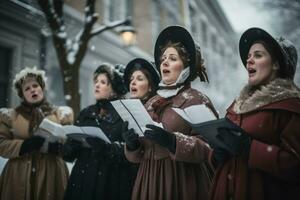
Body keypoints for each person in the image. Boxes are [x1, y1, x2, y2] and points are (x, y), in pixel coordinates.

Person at [123, 26, 218, 200]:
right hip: (149, 181)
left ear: (186, 66)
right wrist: (132, 145)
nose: (164, 62)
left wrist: (173, 142)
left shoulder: (196, 99)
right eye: (163, 58)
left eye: (172, 58)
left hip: (182, 181)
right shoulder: (151, 102)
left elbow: (212, 149)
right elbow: (139, 155)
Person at [210, 27, 300, 200]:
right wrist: (215, 155)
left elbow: (296, 166)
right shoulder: (236, 105)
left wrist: (250, 149)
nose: (249, 60)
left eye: (258, 55)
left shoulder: (291, 107)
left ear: (276, 64)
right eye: (249, 56)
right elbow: (222, 154)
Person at [63, 63, 138, 200]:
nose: (97, 85)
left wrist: (105, 148)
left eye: (103, 82)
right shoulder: (86, 113)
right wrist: (71, 145)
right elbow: (68, 154)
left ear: (114, 89)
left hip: (109, 182)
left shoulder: (124, 115)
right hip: (81, 180)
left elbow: (130, 154)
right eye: (96, 81)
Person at [0, 67, 73, 200]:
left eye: (35, 85)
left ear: (42, 88)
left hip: (52, 174)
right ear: (22, 94)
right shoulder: (11, 116)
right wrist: (24, 145)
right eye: (27, 88)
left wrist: (60, 148)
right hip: (19, 174)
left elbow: (70, 141)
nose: (32, 89)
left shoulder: (59, 114)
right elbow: (1, 144)